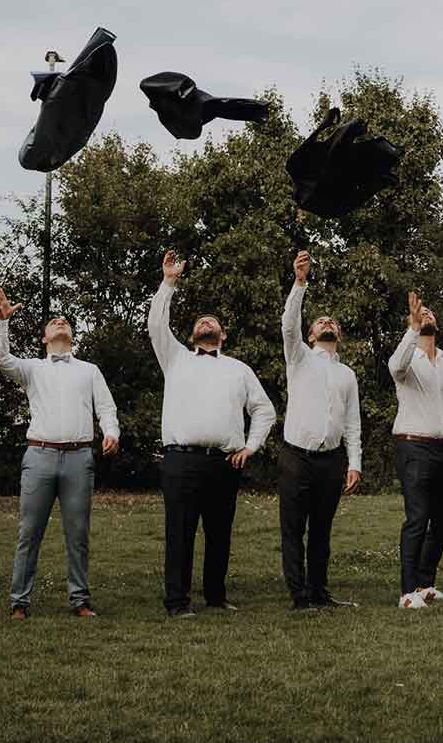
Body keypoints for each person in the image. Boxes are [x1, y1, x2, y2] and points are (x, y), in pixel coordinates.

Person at [148, 249, 275, 617]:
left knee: (220, 533)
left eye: (212, 321)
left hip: (224, 462)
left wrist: (251, 446)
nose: (207, 323)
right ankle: (177, 602)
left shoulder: (239, 368)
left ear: (223, 335)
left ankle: (216, 597)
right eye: (201, 322)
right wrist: (169, 282)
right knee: (180, 533)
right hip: (180, 461)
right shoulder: (175, 359)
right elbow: (157, 325)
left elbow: (264, 410)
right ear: (191, 335)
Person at [0, 287, 119, 620]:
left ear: (71, 336)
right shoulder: (33, 369)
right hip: (40, 457)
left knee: (78, 533)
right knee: (29, 531)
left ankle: (80, 600)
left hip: (79, 458)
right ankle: (19, 601)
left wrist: (111, 432)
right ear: (45, 338)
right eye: (53, 321)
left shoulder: (89, 370)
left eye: (65, 321)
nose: (60, 321)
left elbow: (106, 407)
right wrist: (2, 322)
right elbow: (0, 360)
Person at [278, 250, 363, 610]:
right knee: (294, 529)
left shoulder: (347, 374)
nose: (327, 323)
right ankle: (299, 596)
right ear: (311, 334)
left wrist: (354, 463)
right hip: (297, 456)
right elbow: (287, 325)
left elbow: (353, 422)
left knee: (322, 532)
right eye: (320, 321)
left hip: (331, 461)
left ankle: (319, 592)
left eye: (332, 321)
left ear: (338, 334)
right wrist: (299, 282)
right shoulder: (298, 358)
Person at [389, 290, 443, 608]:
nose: (427, 315)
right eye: (423, 313)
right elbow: (394, 366)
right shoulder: (409, 361)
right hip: (413, 447)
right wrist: (413, 328)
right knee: (417, 518)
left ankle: (424, 584)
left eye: (431, 314)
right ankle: (407, 593)